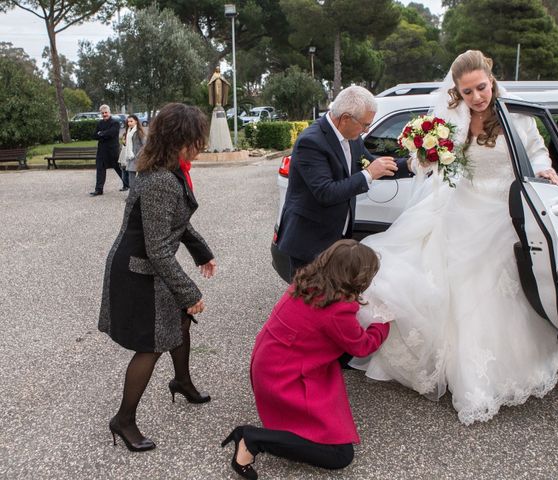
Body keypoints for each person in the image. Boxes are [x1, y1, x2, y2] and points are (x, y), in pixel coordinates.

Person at [350, 50, 558, 425]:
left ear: (491, 80)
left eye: (481, 87)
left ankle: (489, 371)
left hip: (501, 210)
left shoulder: (517, 116)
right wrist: (427, 158)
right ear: (458, 92)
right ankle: (453, 370)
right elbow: (420, 161)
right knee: (454, 281)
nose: (477, 97)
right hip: (460, 206)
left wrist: (545, 170)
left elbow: (537, 152)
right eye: (468, 92)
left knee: (492, 283)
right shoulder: (450, 117)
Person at [98, 103, 217, 451]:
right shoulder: (161, 181)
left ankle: (181, 382)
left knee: (178, 324)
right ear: (180, 140)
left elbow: (176, 223)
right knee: (150, 345)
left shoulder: (167, 169)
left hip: (148, 265)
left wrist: (202, 252)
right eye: (196, 139)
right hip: (137, 271)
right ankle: (123, 419)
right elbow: (158, 249)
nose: (200, 145)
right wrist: (189, 292)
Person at [222, 239, 390, 479]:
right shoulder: (338, 309)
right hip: (284, 376)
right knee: (341, 456)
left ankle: (260, 437)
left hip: (270, 362)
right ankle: (252, 439)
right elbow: (363, 346)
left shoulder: (307, 281)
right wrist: (383, 323)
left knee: (318, 429)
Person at [275, 85, 413, 281]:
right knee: (310, 304)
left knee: (331, 301)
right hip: (309, 242)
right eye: (365, 125)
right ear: (346, 118)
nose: (366, 130)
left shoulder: (353, 137)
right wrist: (367, 174)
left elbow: (373, 165)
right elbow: (326, 192)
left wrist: (410, 165)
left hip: (336, 238)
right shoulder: (311, 142)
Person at [90, 104, 126, 196]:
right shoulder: (100, 123)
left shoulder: (115, 123)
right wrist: (103, 134)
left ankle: (127, 184)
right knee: (100, 169)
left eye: (106, 112)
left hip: (112, 150)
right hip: (101, 151)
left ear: (109, 112)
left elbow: (112, 133)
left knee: (118, 168)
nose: (104, 114)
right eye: (103, 113)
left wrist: (101, 133)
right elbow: (94, 135)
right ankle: (99, 189)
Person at [122, 114, 146, 191]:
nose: (129, 123)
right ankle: (133, 195)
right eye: (128, 121)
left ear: (136, 121)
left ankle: (139, 194)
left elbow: (145, 145)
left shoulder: (138, 132)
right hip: (130, 157)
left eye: (131, 121)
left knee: (141, 176)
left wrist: (139, 154)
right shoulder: (128, 131)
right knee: (131, 177)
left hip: (138, 157)